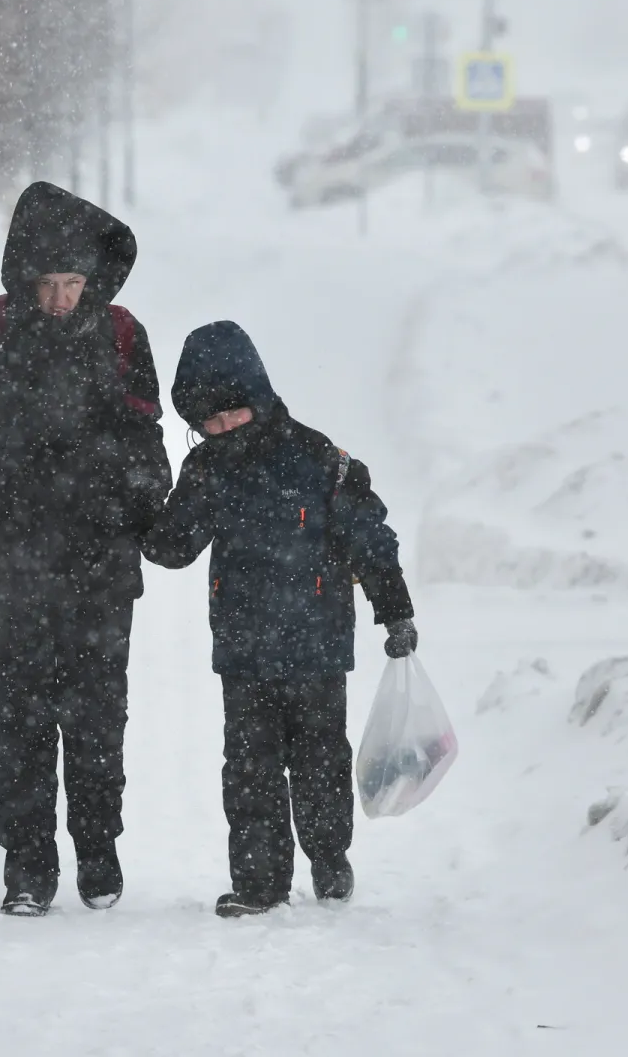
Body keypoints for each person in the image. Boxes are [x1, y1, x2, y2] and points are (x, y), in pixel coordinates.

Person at [0, 182, 170, 917]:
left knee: (100, 712)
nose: (65, 299)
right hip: (8, 553)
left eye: (76, 283)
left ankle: (99, 853)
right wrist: (45, 425)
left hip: (99, 553)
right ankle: (28, 865)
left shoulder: (124, 333)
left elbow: (145, 432)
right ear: (26, 277)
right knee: (25, 712)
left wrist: (142, 495)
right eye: (52, 284)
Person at [143, 320, 418, 918]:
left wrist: (394, 609)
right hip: (243, 650)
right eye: (207, 424)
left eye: (231, 415)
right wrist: (146, 496)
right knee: (249, 770)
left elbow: (371, 538)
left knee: (320, 758)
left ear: (258, 398)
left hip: (316, 644)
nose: (221, 430)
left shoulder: (320, 460)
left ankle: (329, 859)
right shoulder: (208, 469)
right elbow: (171, 548)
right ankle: (259, 883)